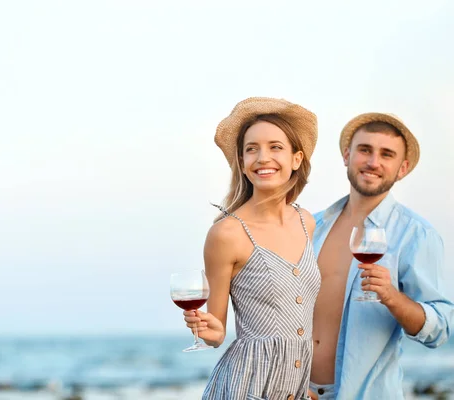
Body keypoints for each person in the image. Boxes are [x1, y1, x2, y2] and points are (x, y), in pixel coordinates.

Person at [184, 97, 321, 400]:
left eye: (275, 147)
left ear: (296, 159)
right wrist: (206, 329)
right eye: (251, 149)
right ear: (243, 164)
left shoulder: (306, 221)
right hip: (245, 387)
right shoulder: (226, 234)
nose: (262, 157)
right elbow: (217, 331)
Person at [310, 113, 454, 399]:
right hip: (296, 392)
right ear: (347, 155)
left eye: (386, 154)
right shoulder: (312, 226)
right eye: (365, 150)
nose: (373, 162)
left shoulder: (416, 235)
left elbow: (441, 329)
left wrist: (391, 296)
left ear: (402, 168)